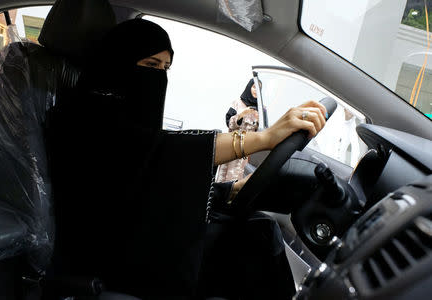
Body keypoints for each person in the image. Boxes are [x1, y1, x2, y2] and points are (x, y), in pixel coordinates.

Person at [49, 18, 327, 299]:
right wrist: (264, 138)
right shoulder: (82, 117)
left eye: (165, 68)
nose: (159, 77)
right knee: (252, 242)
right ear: (119, 60)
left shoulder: (114, 111)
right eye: (150, 65)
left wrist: (227, 191)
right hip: (101, 255)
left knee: (258, 229)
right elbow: (156, 151)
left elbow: (147, 176)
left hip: (132, 235)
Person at [216, 79, 260, 183]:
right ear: (249, 87)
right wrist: (242, 114)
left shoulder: (262, 110)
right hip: (232, 147)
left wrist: (258, 120)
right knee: (225, 181)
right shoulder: (237, 103)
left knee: (241, 182)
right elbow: (229, 123)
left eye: (258, 89)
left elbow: (261, 132)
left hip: (248, 151)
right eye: (254, 87)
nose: (255, 91)